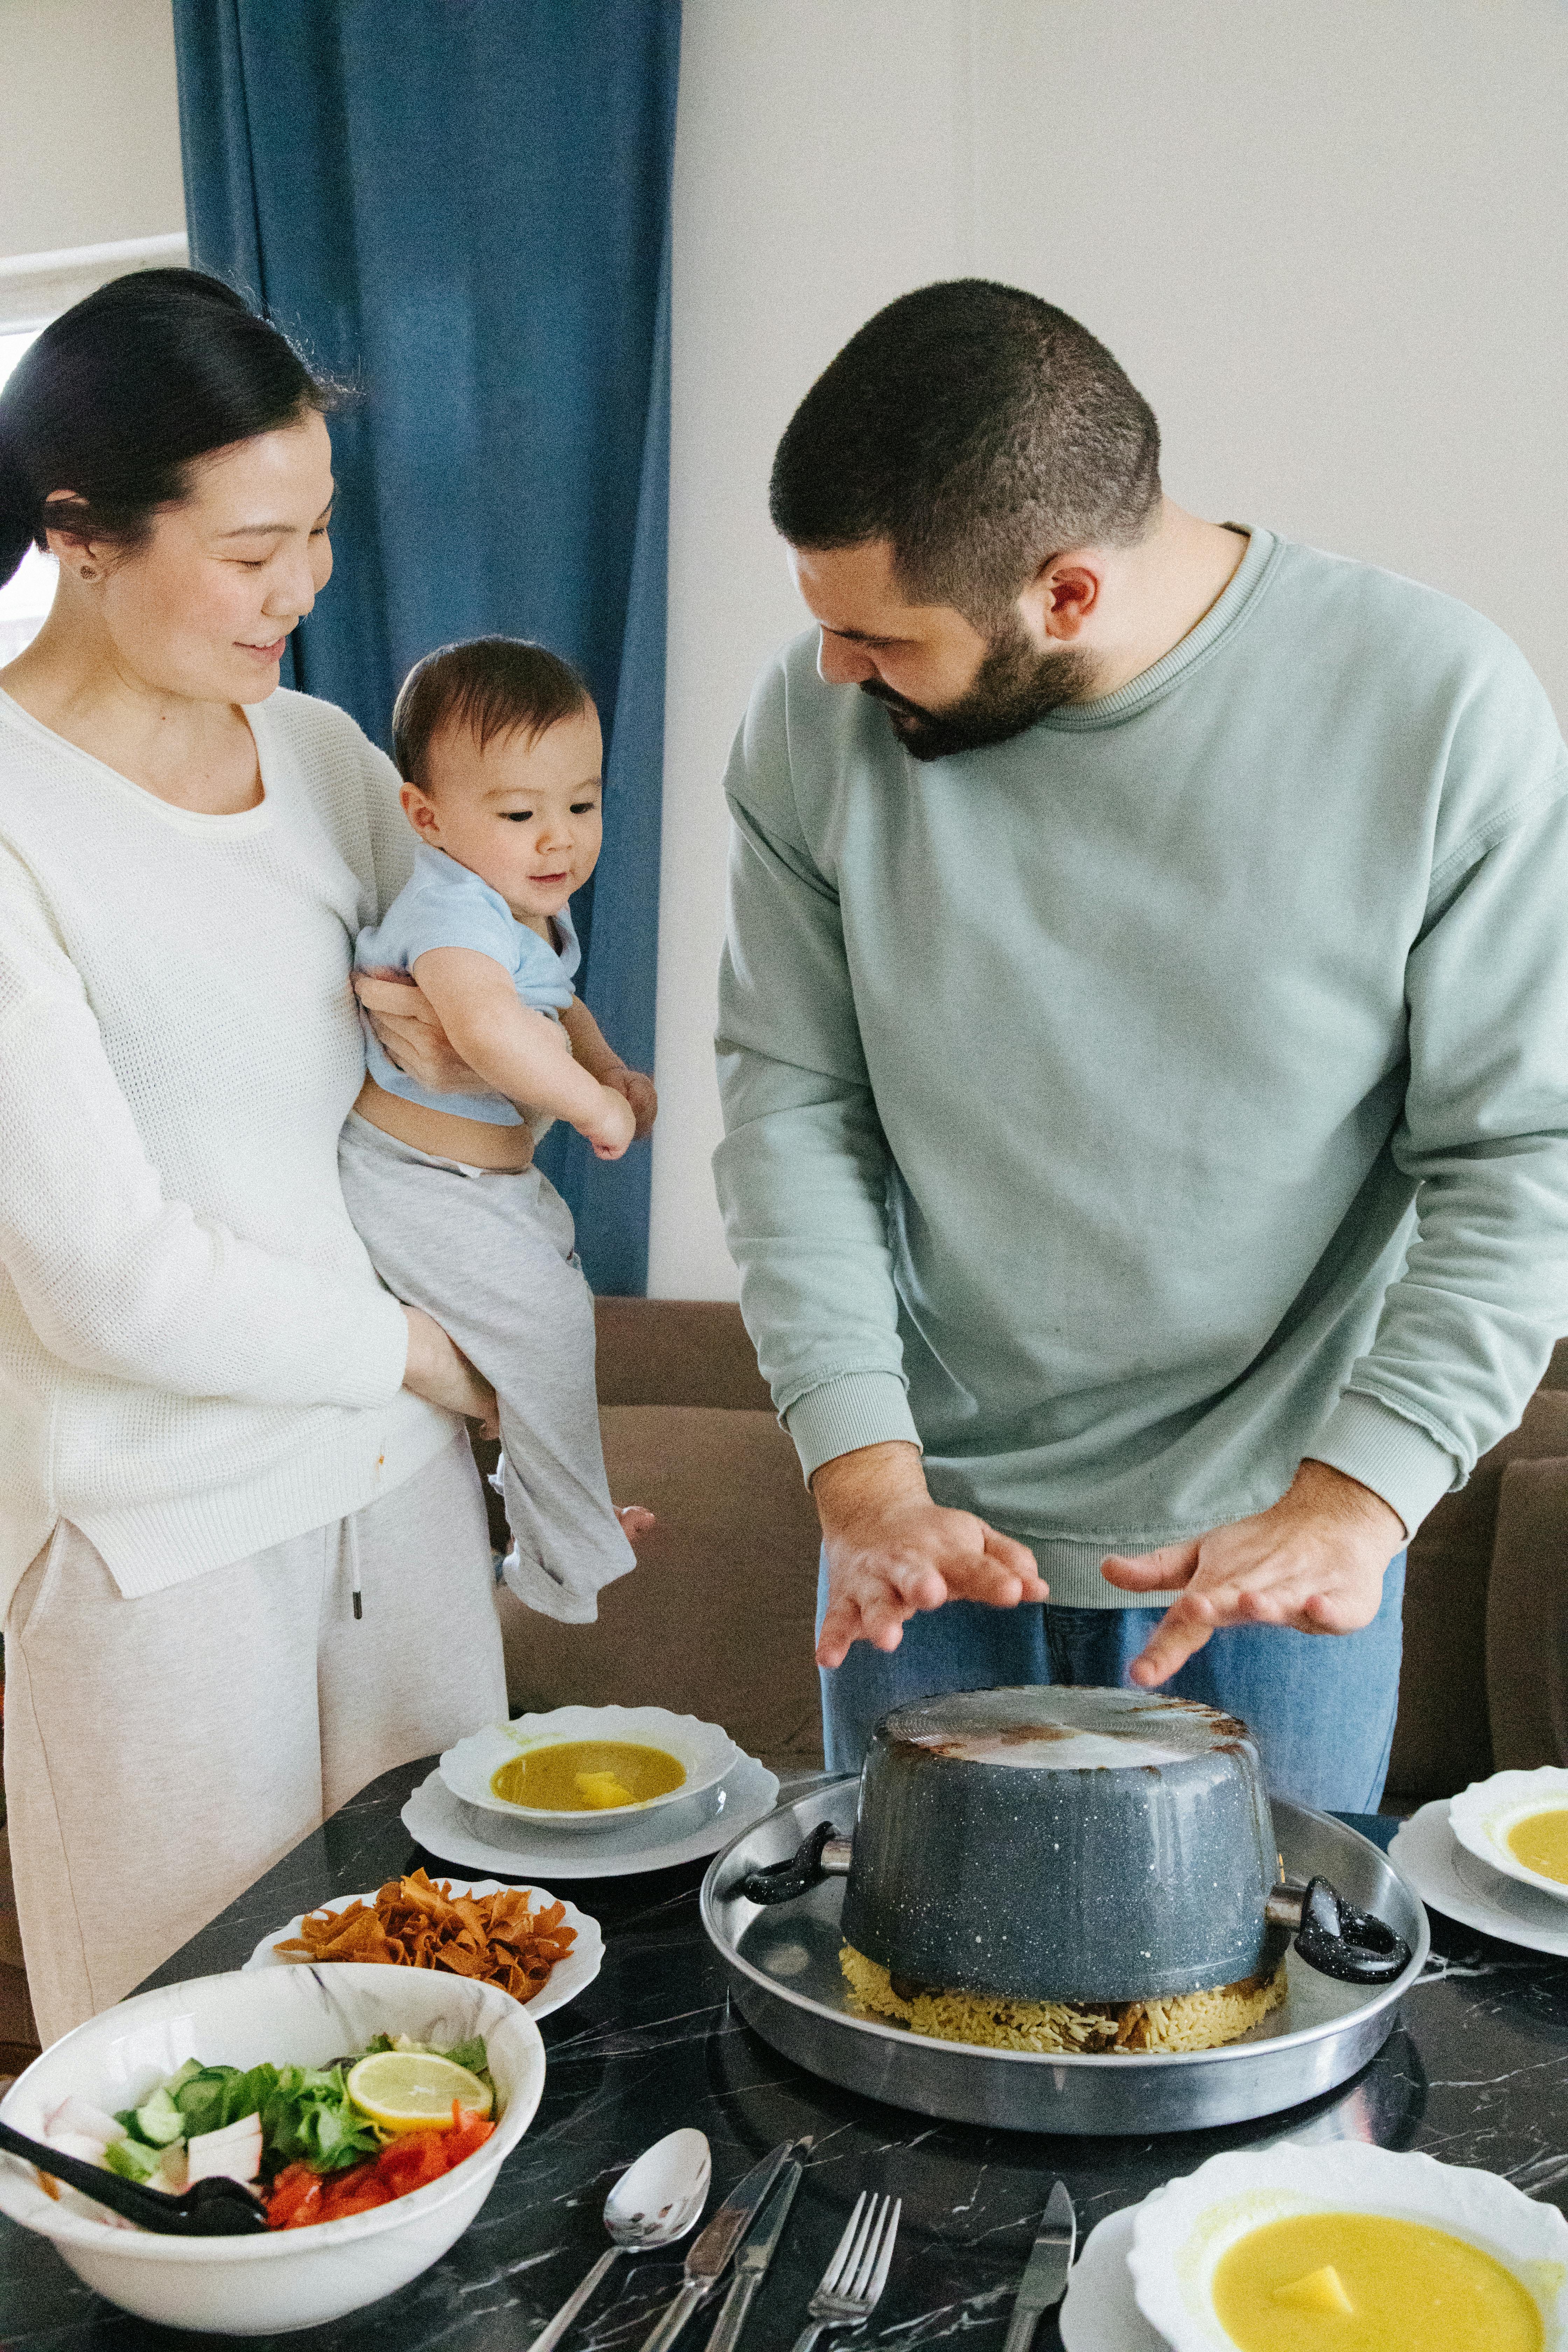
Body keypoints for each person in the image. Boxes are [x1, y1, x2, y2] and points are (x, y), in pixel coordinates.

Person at [713, 278, 1568, 1808]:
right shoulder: (811, 724)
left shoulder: (1439, 708)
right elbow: (792, 1109)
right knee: (896, 2025)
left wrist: (1359, 1498)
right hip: (929, 1542)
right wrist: (860, 1478)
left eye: (877, 637)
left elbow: (1523, 1156)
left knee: (1265, 2024)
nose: (835, 671)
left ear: (1064, 595)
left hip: (1269, 1556)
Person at [0, 268, 509, 2044]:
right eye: (247, 549)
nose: (301, 587)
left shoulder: (325, 759)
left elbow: (449, 1092)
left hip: (402, 1500)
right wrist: (436, 1355)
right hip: (163, 1544)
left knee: (448, 2035)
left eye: (319, 532)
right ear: (80, 535)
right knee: (188, 2083)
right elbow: (105, 1276)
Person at [339, 636, 657, 1624]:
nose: (558, 839)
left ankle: (552, 1515)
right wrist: (591, 1105)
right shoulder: (451, 912)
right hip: (416, 1182)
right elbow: (484, 1024)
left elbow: (558, 1008)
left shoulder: (521, 904)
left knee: (547, 1331)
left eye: (582, 805)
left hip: (492, 1187)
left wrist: (605, 1064)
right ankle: (559, 1559)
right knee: (548, 1328)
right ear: (427, 820)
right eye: (520, 814)